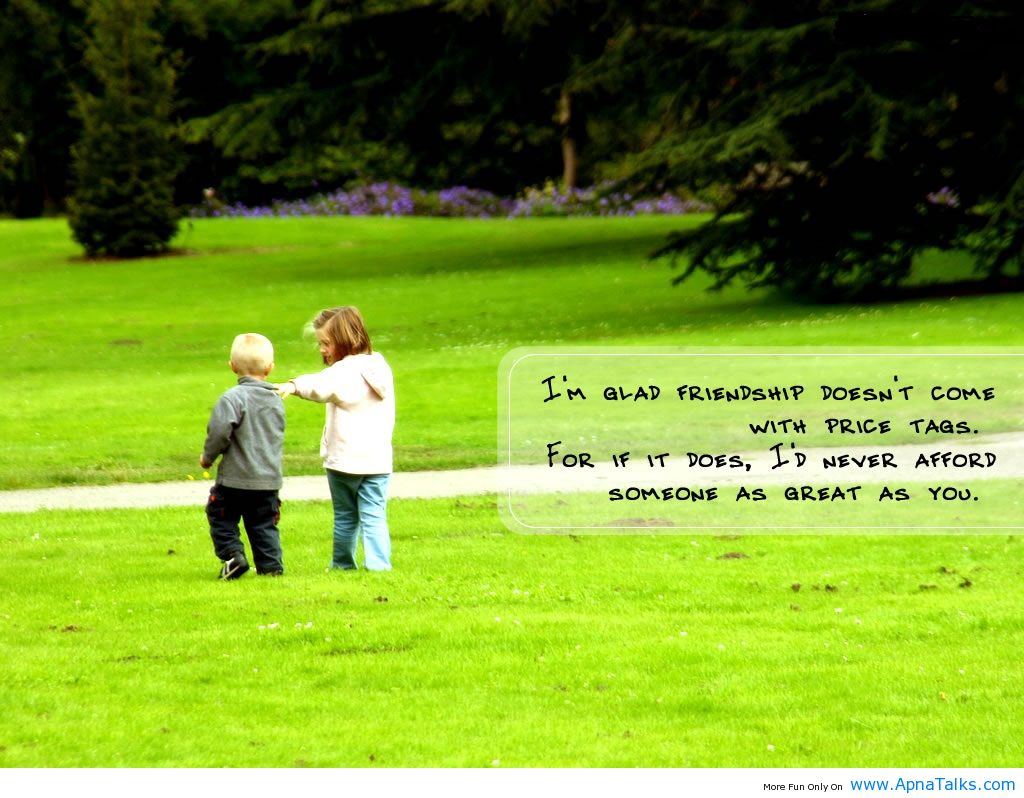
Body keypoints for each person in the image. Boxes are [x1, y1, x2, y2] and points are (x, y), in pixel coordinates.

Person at [276, 307, 394, 571]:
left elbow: (319, 385)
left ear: (345, 340)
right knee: (374, 516)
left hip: (344, 462)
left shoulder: (343, 372)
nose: (322, 349)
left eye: (326, 343)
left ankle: (342, 564)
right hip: (378, 461)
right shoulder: (380, 367)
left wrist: (293, 386)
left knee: (345, 517)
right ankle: (379, 565)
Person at [201, 333, 286, 579]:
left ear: (232, 366)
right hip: (268, 480)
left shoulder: (232, 399)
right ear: (270, 368)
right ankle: (271, 567)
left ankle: (233, 556)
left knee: (221, 515)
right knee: (264, 524)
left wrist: (208, 457)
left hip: (234, 480)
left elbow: (219, 432)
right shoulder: (276, 400)